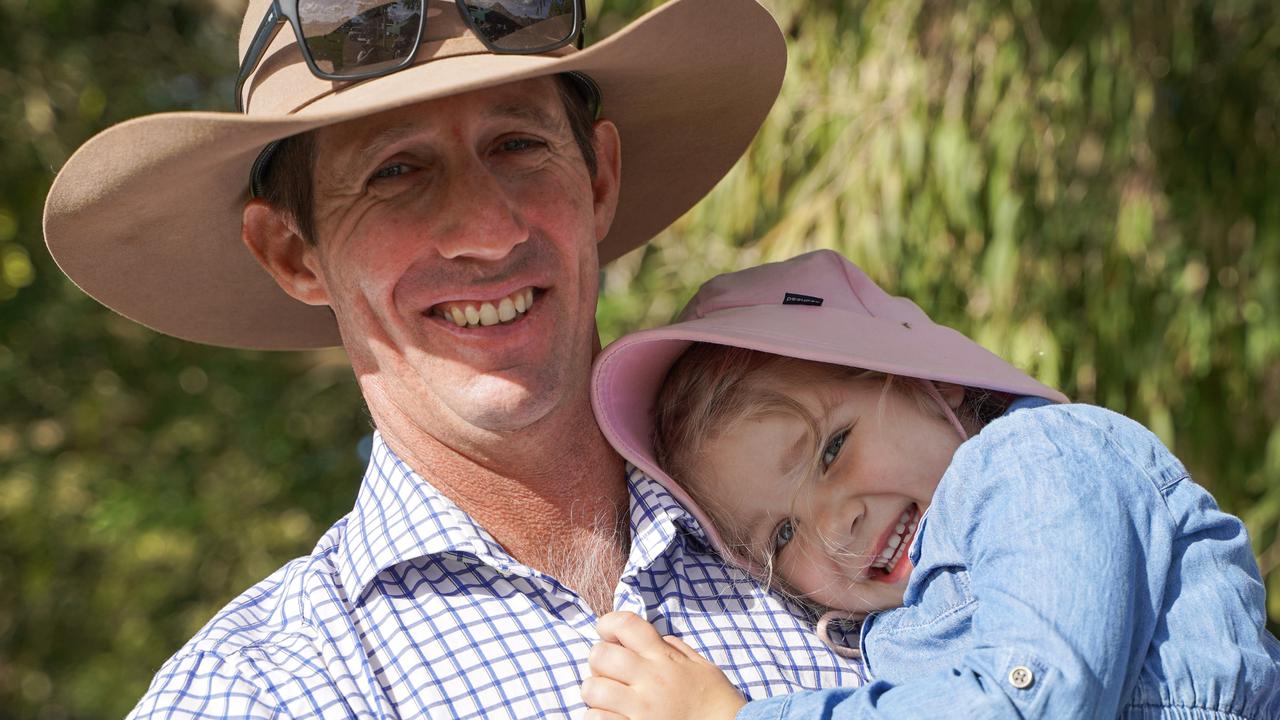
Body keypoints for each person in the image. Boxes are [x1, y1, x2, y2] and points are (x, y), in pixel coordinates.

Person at [42, 1, 866, 717]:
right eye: (396, 172)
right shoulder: (264, 692)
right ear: (293, 254)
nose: (489, 231)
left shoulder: (865, 505)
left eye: (516, 144)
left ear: (599, 178)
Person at [583, 249, 1280, 719]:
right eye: (783, 534)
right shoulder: (889, 641)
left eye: (831, 450)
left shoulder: (1039, 463)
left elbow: (1031, 698)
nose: (836, 524)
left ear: (928, 377)